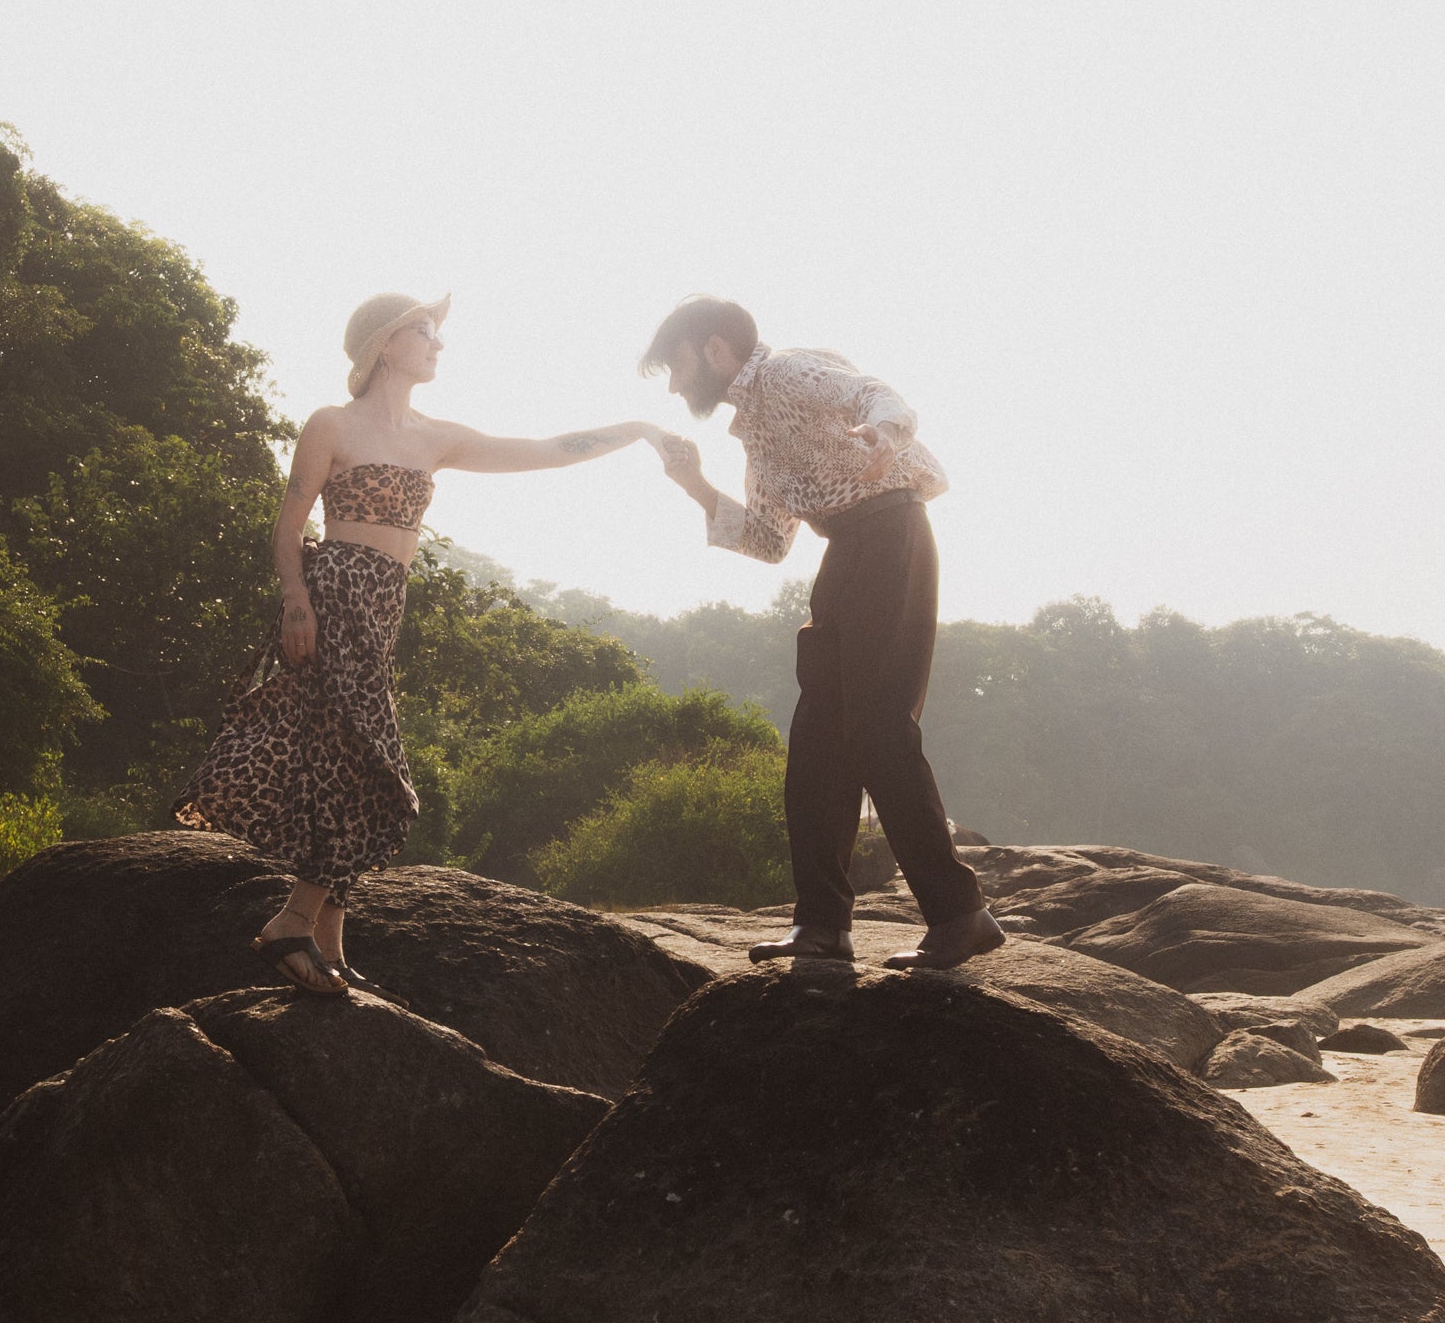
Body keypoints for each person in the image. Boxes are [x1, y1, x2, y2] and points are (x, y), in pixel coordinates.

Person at [180, 292, 668, 996]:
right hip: (337, 594)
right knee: (375, 772)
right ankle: (291, 921)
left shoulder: (435, 436)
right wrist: (296, 602)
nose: (439, 344)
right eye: (426, 332)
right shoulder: (331, 424)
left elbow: (548, 452)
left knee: (340, 768)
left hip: (384, 608)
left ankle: (331, 947)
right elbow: (288, 524)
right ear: (386, 344)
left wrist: (637, 428)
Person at [642, 295, 1003, 973]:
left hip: (891, 534)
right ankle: (822, 926)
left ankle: (961, 916)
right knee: (815, 745)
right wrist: (694, 484)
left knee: (876, 729)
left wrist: (884, 434)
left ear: (717, 348)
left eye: (679, 363)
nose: (675, 383)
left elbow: (875, 393)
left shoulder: (789, 372)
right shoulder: (752, 431)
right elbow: (768, 540)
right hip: (847, 554)